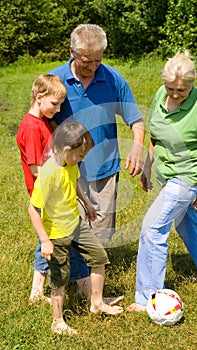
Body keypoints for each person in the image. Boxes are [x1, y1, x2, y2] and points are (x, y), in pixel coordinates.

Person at [128, 51, 197, 312]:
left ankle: (148, 298)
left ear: (192, 84)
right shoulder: (161, 96)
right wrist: (148, 168)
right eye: (170, 88)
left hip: (188, 177)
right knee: (187, 226)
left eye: (181, 91)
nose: (174, 94)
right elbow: (156, 137)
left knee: (152, 229)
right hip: (167, 174)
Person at [49, 24, 144, 298]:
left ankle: (89, 287)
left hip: (105, 169)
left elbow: (135, 119)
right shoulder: (56, 79)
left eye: (98, 60)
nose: (92, 66)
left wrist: (137, 146)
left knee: (100, 233)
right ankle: (75, 286)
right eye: (86, 61)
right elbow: (40, 118)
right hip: (68, 171)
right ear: (72, 52)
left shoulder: (113, 79)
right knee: (67, 229)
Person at [28, 121, 124, 336]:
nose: (82, 160)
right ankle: (57, 322)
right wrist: (44, 240)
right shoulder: (49, 173)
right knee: (60, 278)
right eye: (80, 155)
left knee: (99, 256)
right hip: (57, 233)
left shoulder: (70, 165)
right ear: (65, 150)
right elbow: (33, 210)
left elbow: (75, 184)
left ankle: (96, 303)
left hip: (76, 224)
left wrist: (87, 204)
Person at [16, 74, 67, 303]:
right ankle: (36, 292)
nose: (57, 110)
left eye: (60, 106)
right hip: (44, 194)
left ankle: (38, 291)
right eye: (54, 104)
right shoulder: (31, 127)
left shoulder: (41, 122)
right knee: (45, 242)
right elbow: (37, 169)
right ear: (39, 97)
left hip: (49, 193)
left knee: (46, 241)